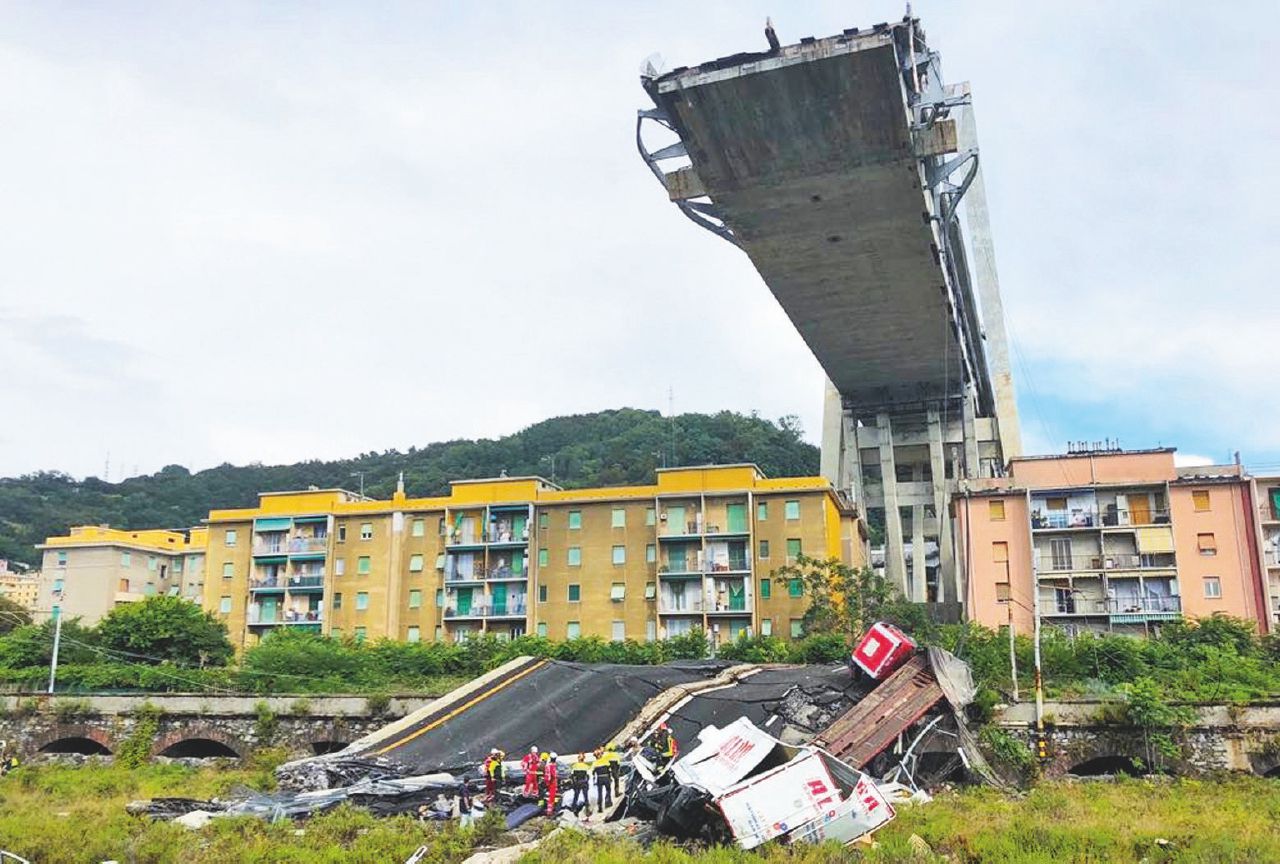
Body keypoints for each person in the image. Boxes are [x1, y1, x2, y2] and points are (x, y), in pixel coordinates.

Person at [591, 748, 613, 812]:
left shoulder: (594, 763)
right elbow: (609, 770)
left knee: (599, 793)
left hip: (599, 778)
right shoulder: (606, 761)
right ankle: (608, 802)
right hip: (606, 777)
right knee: (608, 790)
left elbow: (593, 773)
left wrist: (594, 781)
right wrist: (610, 778)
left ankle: (600, 807)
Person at [543, 752, 559, 817]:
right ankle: (549, 811)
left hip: (548, 782)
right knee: (552, 797)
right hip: (552, 782)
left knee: (549, 796)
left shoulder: (547, 765)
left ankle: (548, 808)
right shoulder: (552, 766)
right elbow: (553, 775)